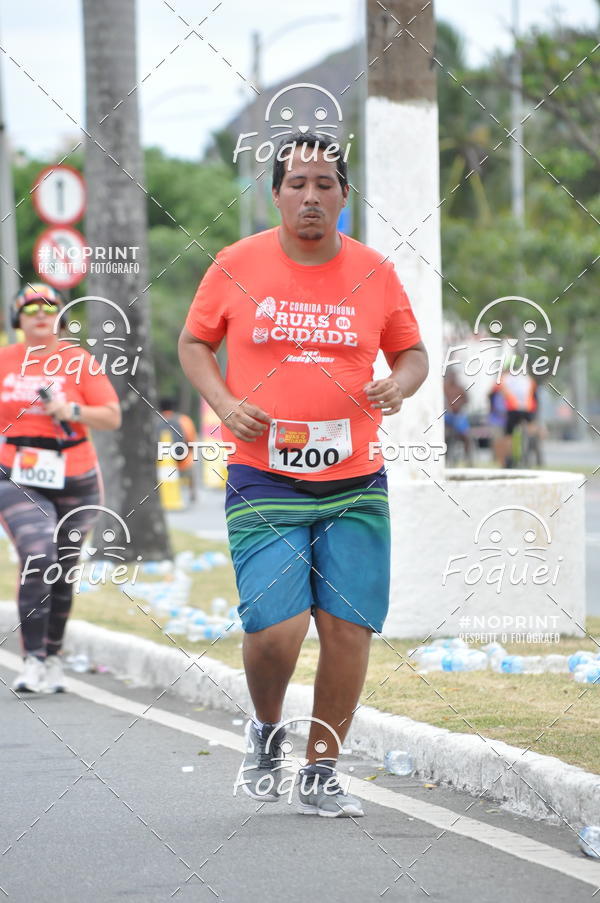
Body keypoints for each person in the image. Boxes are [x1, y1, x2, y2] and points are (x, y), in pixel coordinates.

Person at [179, 133, 428, 817]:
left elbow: (412, 353)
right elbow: (195, 342)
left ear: (345, 194)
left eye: (325, 183)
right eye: (297, 183)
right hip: (264, 474)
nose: (311, 195)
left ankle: (321, 768)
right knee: (276, 628)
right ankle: (266, 729)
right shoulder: (236, 264)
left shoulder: (374, 272)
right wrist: (224, 403)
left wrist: (400, 384)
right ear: (276, 194)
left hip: (355, 478)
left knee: (348, 627)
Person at [0, 283, 121, 693]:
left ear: (61, 318)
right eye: (30, 307)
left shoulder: (79, 361)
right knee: (38, 554)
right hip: (19, 474)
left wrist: (70, 409)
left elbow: (111, 416)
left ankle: (53, 656)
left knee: (63, 570)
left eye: (49, 307)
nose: (40, 313)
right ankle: (32, 660)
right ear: (17, 318)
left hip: (77, 476)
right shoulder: (5, 360)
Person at [159, 397, 198, 502]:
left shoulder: (154, 421)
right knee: (191, 462)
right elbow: (191, 441)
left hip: (159, 462)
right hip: (181, 461)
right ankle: (192, 495)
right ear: (174, 407)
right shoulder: (184, 420)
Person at [443, 370, 473, 465]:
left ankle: (468, 458)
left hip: (458, 415)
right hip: (448, 415)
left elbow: (467, 399)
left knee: (466, 435)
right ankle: (445, 458)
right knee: (444, 435)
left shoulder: (460, 388)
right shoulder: (444, 387)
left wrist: (459, 405)